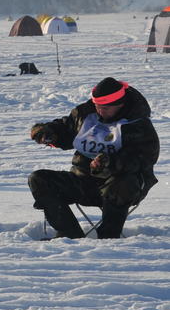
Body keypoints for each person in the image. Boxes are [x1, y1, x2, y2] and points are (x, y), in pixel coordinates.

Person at [28, 77, 159, 239]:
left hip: (121, 186)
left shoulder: (139, 124)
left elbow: (142, 160)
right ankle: (69, 235)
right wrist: (49, 132)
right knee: (39, 179)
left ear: (120, 104)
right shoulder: (86, 113)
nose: (100, 111)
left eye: (105, 108)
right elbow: (66, 128)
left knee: (123, 183)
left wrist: (109, 163)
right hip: (83, 181)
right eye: (97, 106)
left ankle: (109, 237)